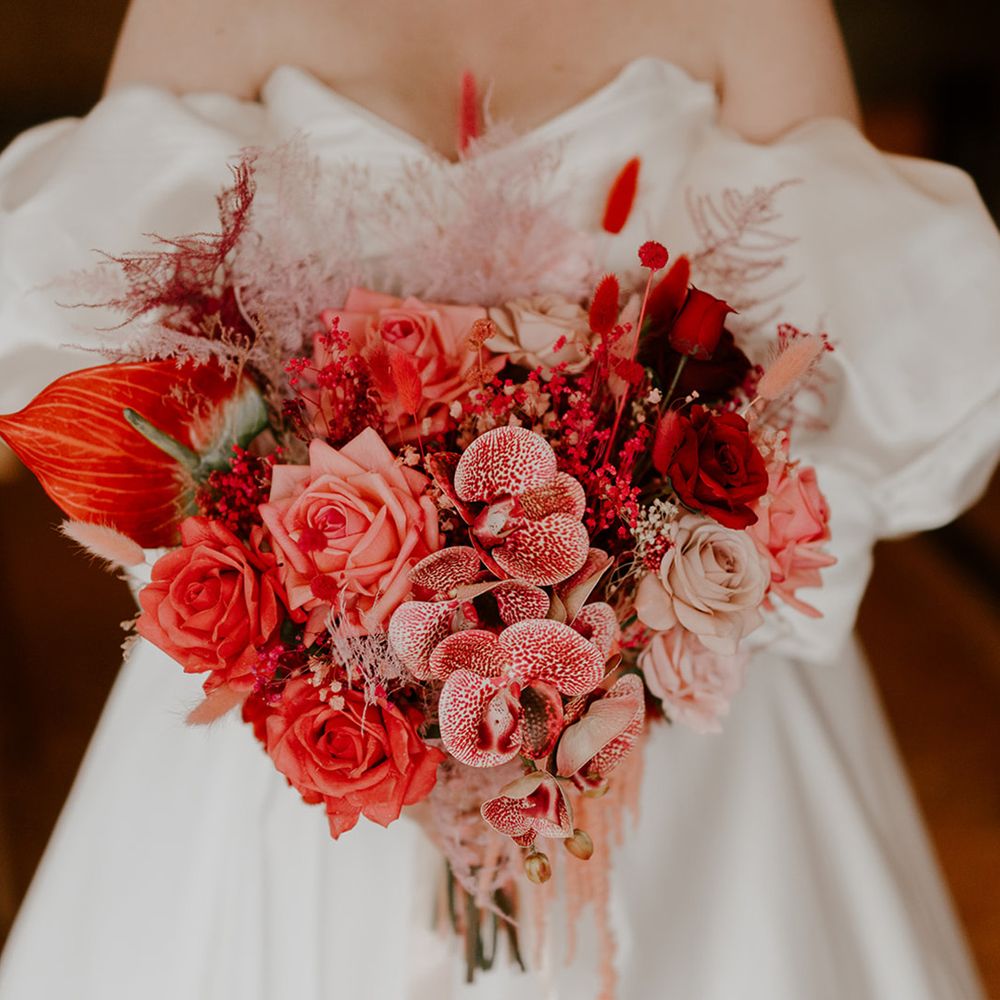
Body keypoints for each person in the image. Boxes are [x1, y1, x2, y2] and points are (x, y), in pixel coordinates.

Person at [1, 1, 998, 996]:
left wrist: (622, 606)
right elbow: (130, 368)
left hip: (669, 678)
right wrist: (333, 606)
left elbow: (834, 332)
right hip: (309, 699)